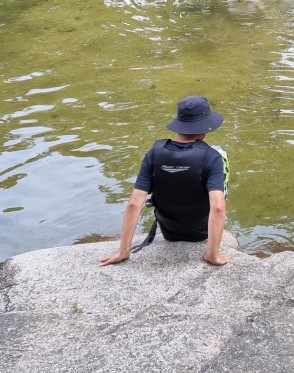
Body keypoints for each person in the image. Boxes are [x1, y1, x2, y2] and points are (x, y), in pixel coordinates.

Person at [99, 96, 231, 266]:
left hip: (169, 232)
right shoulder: (212, 157)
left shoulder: (153, 154)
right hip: (201, 233)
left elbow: (134, 203)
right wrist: (212, 256)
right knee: (222, 157)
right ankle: (212, 248)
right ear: (205, 127)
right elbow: (218, 207)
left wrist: (123, 252)